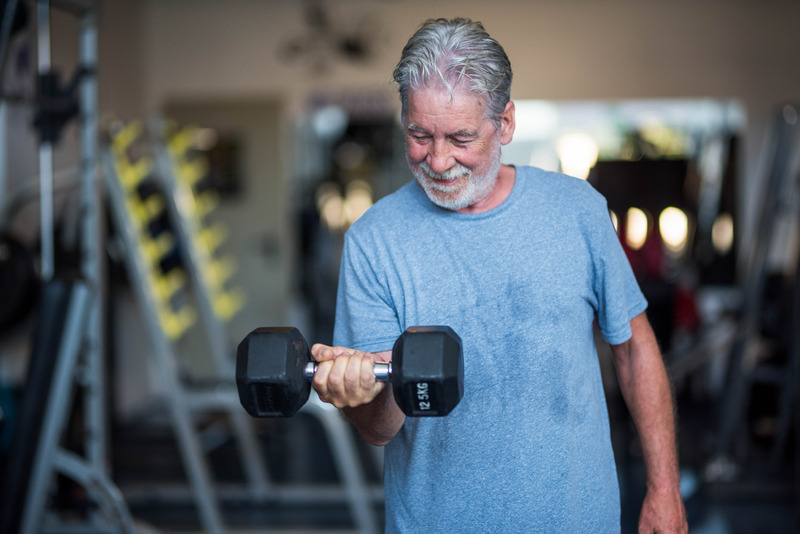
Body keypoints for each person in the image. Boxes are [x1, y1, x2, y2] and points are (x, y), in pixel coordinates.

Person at [310, 17, 688, 533]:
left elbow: (633, 347)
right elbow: (381, 429)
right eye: (419, 135)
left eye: (461, 137)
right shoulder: (374, 241)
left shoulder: (576, 210)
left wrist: (664, 489)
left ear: (505, 123)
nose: (438, 160)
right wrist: (358, 397)